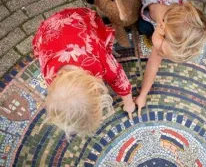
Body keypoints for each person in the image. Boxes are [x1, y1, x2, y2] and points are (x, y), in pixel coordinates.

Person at [33, 8, 135, 138]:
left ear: (97, 90)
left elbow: (118, 77)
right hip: (49, 30)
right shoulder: (50, 77)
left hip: (79, 20)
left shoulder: (97, 58)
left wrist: (129, 103)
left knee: (102, 47)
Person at [135, 0, 206, 116]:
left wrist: (143, 95)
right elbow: (152, 65)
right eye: (162, 51)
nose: (160, 54)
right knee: (142, 26)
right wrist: (143, 94)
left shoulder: (167, 28)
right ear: (160, 27)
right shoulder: (161, 25)